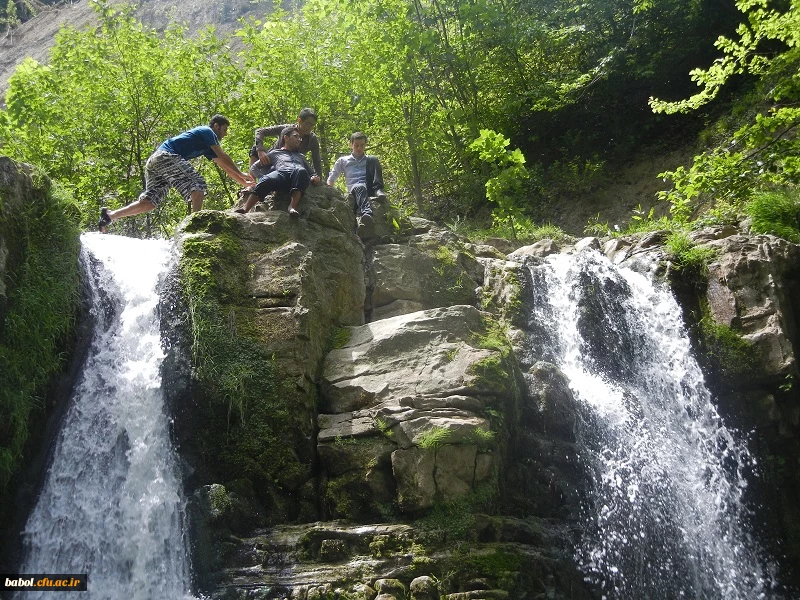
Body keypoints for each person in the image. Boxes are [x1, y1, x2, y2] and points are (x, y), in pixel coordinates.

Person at [98, 115, 253, 232]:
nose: (225, 134)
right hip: (165, 156)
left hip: (155, 162)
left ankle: (110, 216)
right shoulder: (207, 131)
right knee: (198, 185)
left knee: (150, 202)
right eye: (224, 130)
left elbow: (223, 165)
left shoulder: (207, 148)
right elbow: (223, 156)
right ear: (216, 126)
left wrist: (242, 181)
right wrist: (241, 173)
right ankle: (195, 224)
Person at [236, 125, 314, 216]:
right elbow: (254, 167)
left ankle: (292, 207)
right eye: (295, 136)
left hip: (297, 178)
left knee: (301, 170)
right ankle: (245, 208)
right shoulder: (275, 153)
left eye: (300, 138)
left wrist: (314, 177)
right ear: (286, 138)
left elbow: (311, 172)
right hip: (281, 175)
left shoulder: (301, 156)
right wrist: (261, 177)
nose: (299, 140)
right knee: (267, 179)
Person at [326, 131, 386, 227]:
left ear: (365, 145)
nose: (359, 148)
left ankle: (379, 190)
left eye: (362, 145)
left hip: (369, 187)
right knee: (360, 186)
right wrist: (328, 192)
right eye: (356, 145)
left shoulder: (369, 160)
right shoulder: (343, 161)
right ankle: (367, 213)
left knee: (374, 158)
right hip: (354, 189)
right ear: (351, 144)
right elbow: (332, 177)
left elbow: (375, 174)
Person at [250, 107, 323, 181]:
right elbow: (260, 131)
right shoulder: (286, 129)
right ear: (299, 120)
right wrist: (260, 150)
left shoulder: (312, 139)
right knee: (255, 147)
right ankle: (251, 182)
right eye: (308, 123)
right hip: (270, 163)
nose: (310, 127)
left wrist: (319, 178)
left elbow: (316, 160)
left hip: (292, 166)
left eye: (312, 125)